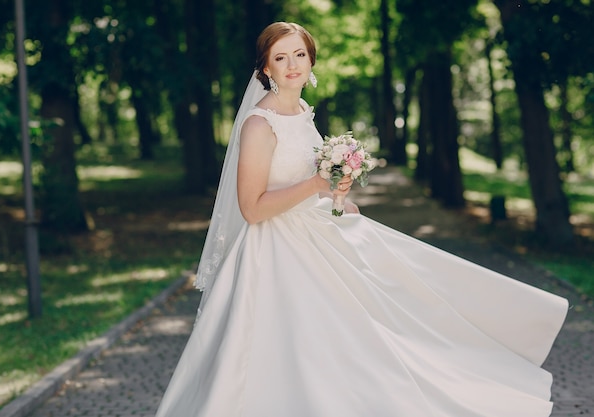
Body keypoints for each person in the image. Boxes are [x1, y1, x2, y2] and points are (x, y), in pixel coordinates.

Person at [154, 22, 568, 417]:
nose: (293, 64)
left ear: (312, 61)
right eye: (281, 58)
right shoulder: (260, 125)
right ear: (265, 68)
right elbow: (253, 208)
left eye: (300, 54)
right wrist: (317, 183)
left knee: (382, 312)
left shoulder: (300, 109)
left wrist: (336, 195)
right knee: (291, 347)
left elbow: (302, 181)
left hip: (312, 232)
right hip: (273, 254)